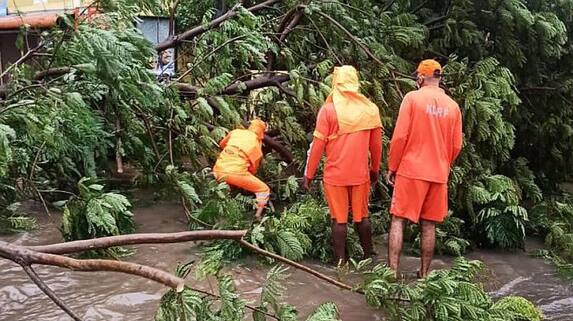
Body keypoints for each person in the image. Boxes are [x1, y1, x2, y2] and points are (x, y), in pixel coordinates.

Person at [386, 59, 463, 278]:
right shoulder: (453, 106)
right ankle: (424, 274)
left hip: (412, 169)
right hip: (438, 173)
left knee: (398, 218)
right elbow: (457, 145)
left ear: (420, 77)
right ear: (439, 78)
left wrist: (392, 166)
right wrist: (443, 163)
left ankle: (392, 272)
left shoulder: (412, 99)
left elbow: (400, 136)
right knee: (429, 225)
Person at [302, 65, 382, 265]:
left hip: (335, 176)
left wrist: (308, 175)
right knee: (362, 216)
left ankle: (340, 263)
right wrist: (375, 170)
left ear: (335, 83)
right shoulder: (370, 109)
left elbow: (318, 146)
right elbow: (377, 146)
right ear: (356, 82)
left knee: (339, 220)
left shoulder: (328, 111)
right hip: (360, 174)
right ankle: (368, 256)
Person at [213, 120, 270, 220]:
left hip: (217, 169)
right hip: (235, 174)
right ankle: (258, 215)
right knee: (264, 189)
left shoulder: (235, 132)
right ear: (261, 132)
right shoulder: (256, 146)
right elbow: (252, 170)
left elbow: (221, 145)